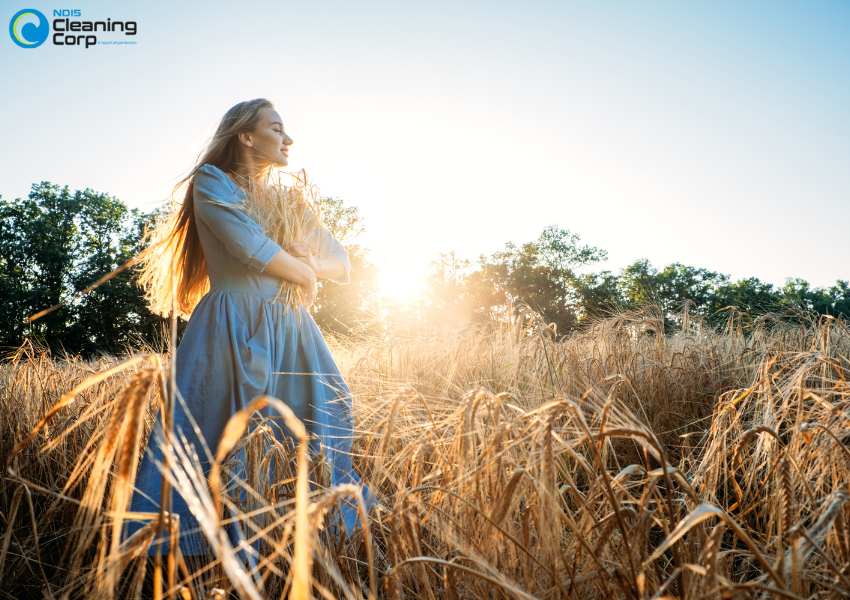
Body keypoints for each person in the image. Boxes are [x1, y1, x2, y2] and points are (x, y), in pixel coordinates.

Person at [122, 98, 373, 570]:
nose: (288, 139)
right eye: (277, 128)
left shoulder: (290, 199)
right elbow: (249, 246)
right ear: (245, 136)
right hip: (232, 323)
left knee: (324, 413)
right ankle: (199, 549)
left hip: (292, 327)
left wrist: (311, 265)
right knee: (217, 431)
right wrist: (301, 271)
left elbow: (342, 264)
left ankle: (304, 533)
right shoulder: (211, 182)